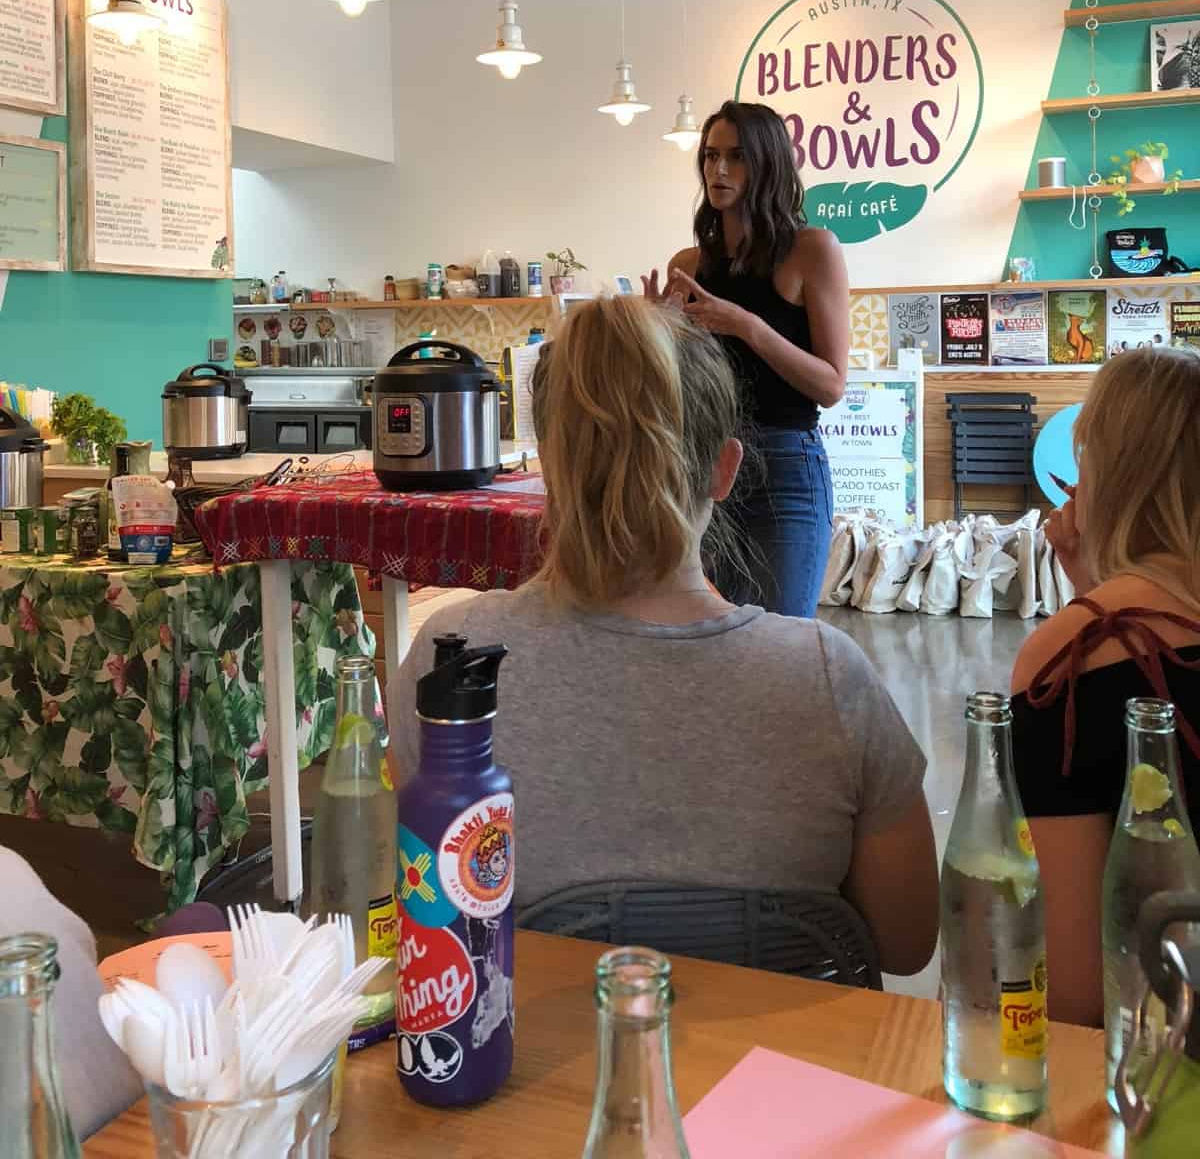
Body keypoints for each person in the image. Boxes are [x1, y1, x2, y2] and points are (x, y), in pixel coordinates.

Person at [389, 297, 938, 978]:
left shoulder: (454, 661)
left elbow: (429, 918)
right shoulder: (829, 676)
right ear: (726, 468)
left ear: (547, 466)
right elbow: (909, 941)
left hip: (534, 1073)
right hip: (777, 1074)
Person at [1010, 345, 1200, 1026]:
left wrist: (1087, 611)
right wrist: (1094, 589)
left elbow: (1076, 985)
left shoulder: (1071, 653)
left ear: (1108, 473)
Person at [643, 100, 849, 617]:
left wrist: (748, 326)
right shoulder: (688, 265)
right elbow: (675, 390)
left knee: (781, 646)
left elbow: (830, 385)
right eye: (711, 156)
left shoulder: (812, 249)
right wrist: (656, 333)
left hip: (785, 470)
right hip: (702, 469)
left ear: (768, 164)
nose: (719, 170)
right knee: (703, 640)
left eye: (736, 156)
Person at [0, 846, 142, 1136]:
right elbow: (82, 950)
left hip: (120, 1114)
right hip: (128, 1113)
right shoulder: (7, 866)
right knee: (197, 917)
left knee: (195, 917)